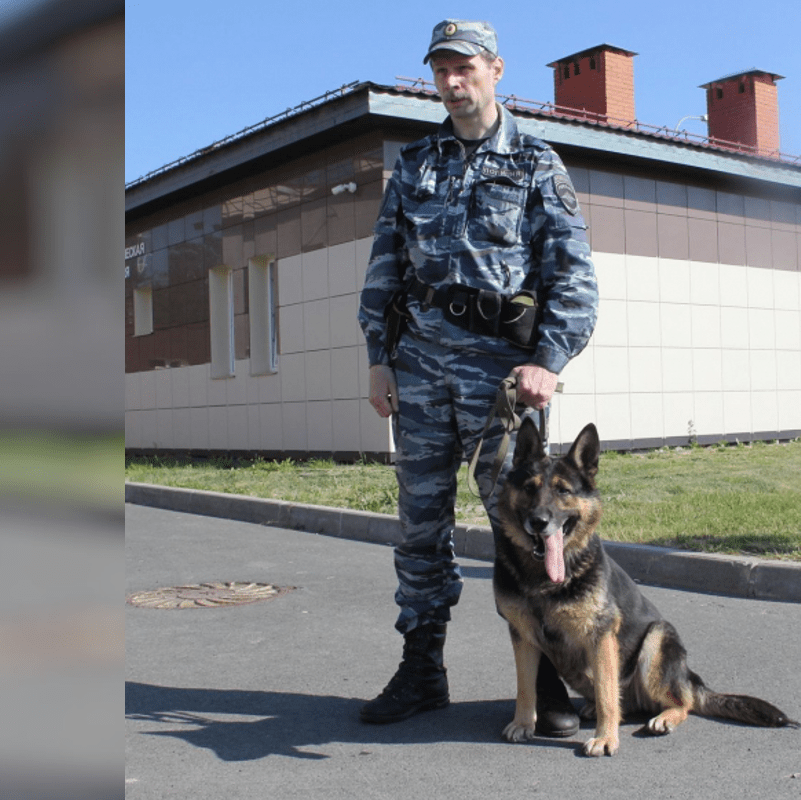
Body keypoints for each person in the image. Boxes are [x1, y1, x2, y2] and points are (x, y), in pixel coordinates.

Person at [355, 19, 598, 735]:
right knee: (420, 526)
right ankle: (422, 668)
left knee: (529, 525)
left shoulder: (534, 163)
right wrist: (379, 356)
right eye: (441, 71)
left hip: (503, 378)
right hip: (422, 370)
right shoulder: (415, 163)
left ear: (495, 70)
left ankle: (550, 678)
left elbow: (573, 278)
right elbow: (385, 267)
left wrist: (548, 361)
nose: (452, 82)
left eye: (464, 68)